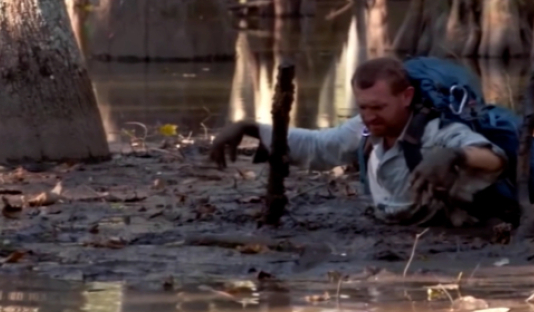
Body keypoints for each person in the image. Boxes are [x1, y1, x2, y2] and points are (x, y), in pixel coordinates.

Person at [209, 57, 509, 227]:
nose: (369, 117)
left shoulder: (437, 133)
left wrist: (454, 156)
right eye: (363, 107)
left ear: (406, 97)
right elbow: (318, 146)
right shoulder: (364, 129)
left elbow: (494, 158)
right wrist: (251, 128)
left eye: (379, 108)